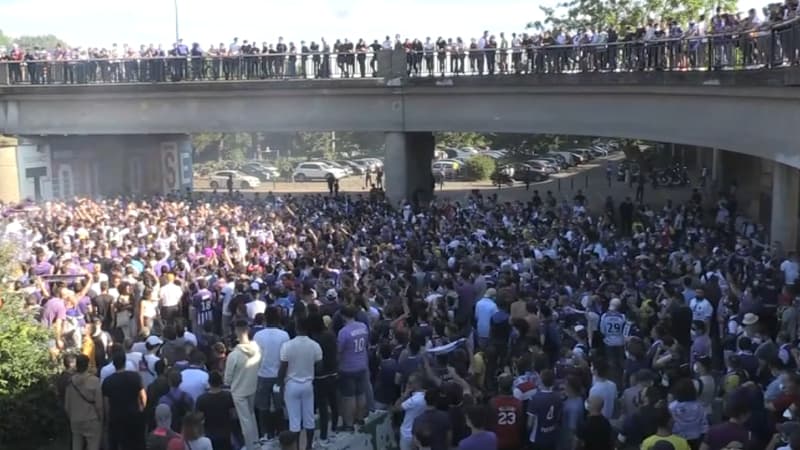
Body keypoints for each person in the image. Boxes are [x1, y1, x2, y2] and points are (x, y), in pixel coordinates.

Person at [278, 315, 323, 450]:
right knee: (309, 418)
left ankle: (295, 447)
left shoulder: (287, 346)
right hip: (308, 384)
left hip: (291, 384)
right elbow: (319, 366)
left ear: (296, 328)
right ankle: (308, 446)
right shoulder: (315, 345)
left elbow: (283, 368)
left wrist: (279, 384)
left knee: (294, 421)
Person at [224, 319, 262, 450]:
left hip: (239, 391)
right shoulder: (257, 349)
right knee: (251, 417)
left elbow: (227, 380)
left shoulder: (233, 355)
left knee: (245, 421)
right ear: (248, 330)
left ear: (236, 331)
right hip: (252, 387)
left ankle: (251, 446)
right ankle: (256, 443)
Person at [254, 306, 290, 440]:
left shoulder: (258, 335)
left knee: (263, 406)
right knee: (279, 404)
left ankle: (266, 433)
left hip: (262, 375)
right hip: (279, 376)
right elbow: (285, 357)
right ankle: (280, 431)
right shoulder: (284, 335)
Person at [102, 349, 147, 450]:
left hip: (116, 417)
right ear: (125, 362)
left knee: (116, 444)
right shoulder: (135, 377)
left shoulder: (108, 381)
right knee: (135, 444)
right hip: (134, 415)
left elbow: (106, 403)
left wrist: (108, 417)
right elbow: (143, 396)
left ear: (113, 363)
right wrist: (141, 409)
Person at [337, 304, 370, 431]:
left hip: (348, 367)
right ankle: (360, 418)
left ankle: (349, 424)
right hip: (362, 364)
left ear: (343, 316)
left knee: (349, 397)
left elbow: (339, 351)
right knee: (361, 393)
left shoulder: (343, 332)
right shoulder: (363, 327)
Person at [65, 354, 103, 450]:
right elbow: (99, 405)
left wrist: (71, 417)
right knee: (93, 444)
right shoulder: (94, 381)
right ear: (87, 365)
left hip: (75, 419)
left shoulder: (70, 383)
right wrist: (101, 419)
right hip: (91, 419)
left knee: (76, 444)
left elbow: (67, 405)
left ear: (77, 365)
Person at [195, 371, 235, 450]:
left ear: (209, 383)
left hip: (209, 434)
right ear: (221, 382)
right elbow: (233, 415)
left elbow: (198, 418)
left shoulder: (201, 399)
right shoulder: (228, 396)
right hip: (225, 434)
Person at [527, 369, 562, 450]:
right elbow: (558, 417)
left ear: (541, 381)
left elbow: (529, 423)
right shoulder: (558, 397)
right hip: (552, 436)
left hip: (537, 438)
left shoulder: (535, 398)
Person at [490, 374, 524, 450]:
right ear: (512, 387)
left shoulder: (493, 402)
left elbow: (490, 423)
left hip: (498, 442)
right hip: (514, 440)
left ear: (499, 387)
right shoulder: (518, 403)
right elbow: (520, 424)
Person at [397, 373, 427, 450]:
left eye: (410, 383)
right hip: (421, 432)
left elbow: (396, 408)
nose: (407, 384)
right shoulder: (428, 395)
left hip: (407, 433)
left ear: (418, 384)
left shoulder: (413, 400)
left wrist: (404, 395)